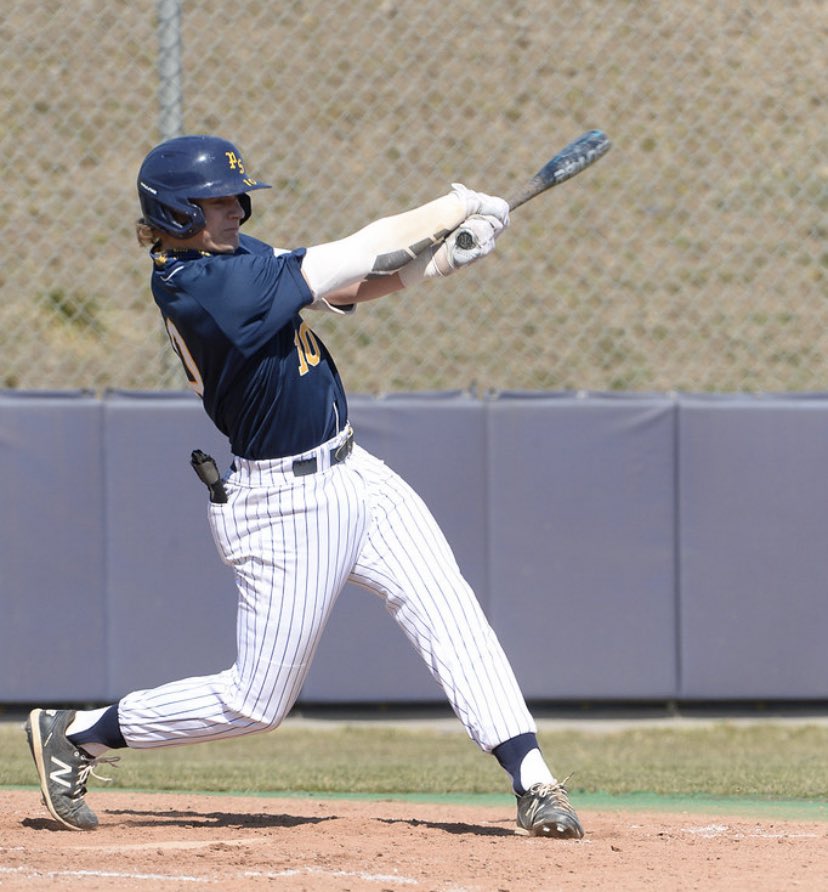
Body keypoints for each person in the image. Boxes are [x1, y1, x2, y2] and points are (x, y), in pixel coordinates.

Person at [25, 135, 584, 840]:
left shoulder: (231, 258)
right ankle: (79, 734)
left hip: (354, 471)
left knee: (448, 609)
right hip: (285, 505)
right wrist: (453, 205)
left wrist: (437, 263)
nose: (234, 208)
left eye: (234, 196)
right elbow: (358, 249)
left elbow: (341, 287)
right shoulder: (203, 288)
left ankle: (533, 782)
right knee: (257, 702)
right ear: (172, 212)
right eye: (216, 201)